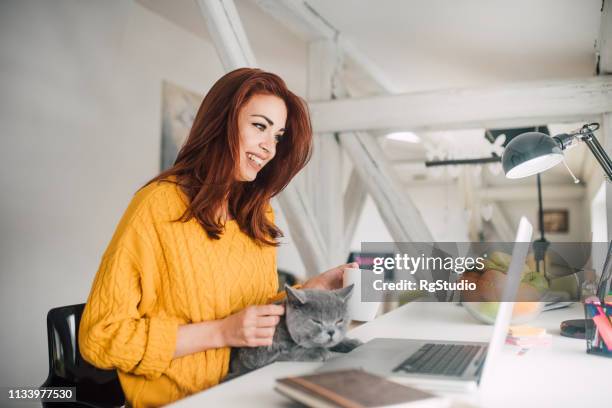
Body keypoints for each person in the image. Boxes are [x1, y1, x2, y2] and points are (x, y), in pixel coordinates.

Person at [78, 68, 356, 408]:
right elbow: (101, 338)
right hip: (184, 400)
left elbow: (249, 318)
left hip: (252, 388)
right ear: (222, 122)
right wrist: (222, 332)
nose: (269, 147)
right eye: (259, 126)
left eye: (278, 136)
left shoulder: (256, 212)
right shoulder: (157, 205)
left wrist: (310, 293)